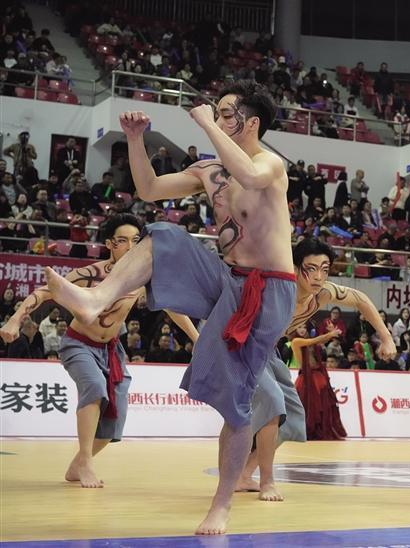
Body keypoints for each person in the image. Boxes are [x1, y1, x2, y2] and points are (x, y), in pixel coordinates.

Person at [42, 81, 295, 536]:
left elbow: (251, 176)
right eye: (217, 113)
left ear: (251, 123)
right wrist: (135, 140)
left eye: (226, 114)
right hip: (227, 277)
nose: (218, 119)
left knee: (237, 401)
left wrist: (205, 124)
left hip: (269, 289)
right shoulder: (210, 170)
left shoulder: (269, 163)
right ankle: (96, 298)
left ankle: (222, 504)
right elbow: (149, 189)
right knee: (163, 234)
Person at [0, 215, 197, 488]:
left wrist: (197, 338)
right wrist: (15, 319)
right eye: (123, 241)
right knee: (94, 387)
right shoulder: (91, 274)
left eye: (136, 240)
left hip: (112, 350)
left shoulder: (144, 279)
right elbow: (46, 292)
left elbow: (172, 308)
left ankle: (78, 464)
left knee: (112, 425)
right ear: (109, 244)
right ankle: (86, 464)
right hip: (78, 344)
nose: (130, 246)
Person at [236, 238, 396, 499]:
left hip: (269, 353)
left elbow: (361, 299)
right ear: (295, 268)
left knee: (292, 418)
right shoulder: (277, 287)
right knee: (273, 404)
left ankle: (244, 474)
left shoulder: (323, 293)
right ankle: (267, 482)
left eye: (325, 269)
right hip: (245, 349)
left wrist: (386, 337)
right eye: (311, 269)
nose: (319, 276)